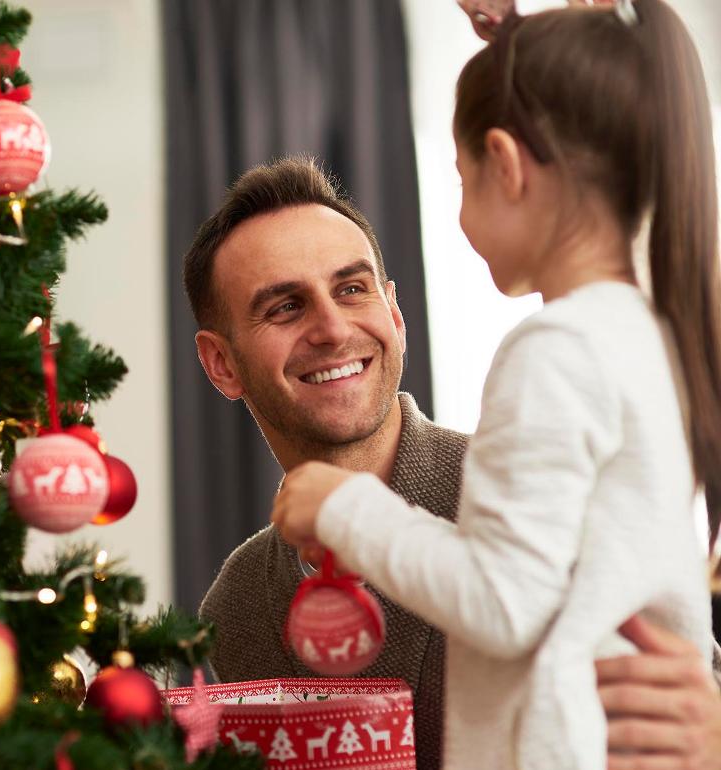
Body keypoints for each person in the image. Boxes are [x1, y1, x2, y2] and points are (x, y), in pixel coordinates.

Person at [267, 2, 721, 769]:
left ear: (506, 165)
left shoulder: (556, 352)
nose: (464, 217)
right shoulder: (652, 339)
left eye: (463, 180)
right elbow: (534, 581)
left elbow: (503, 604)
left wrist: (346, 507)